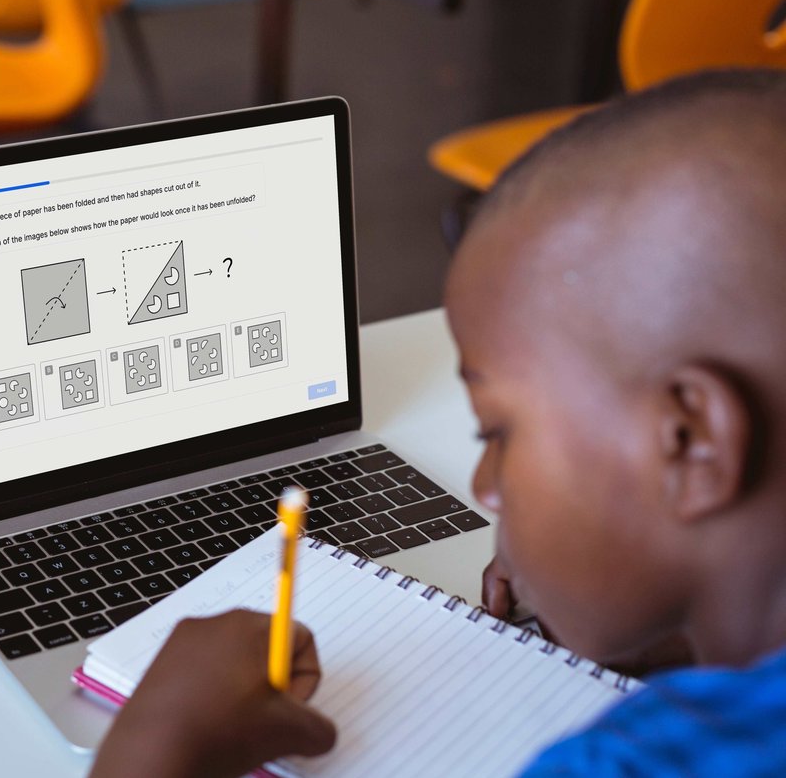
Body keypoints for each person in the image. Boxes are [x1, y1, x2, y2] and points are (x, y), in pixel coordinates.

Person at [89, 68, 786, 778]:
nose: (484, 486)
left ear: (692, 442)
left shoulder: (636, 759)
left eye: (496, 433)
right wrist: (686, 619)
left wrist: (158, 741)